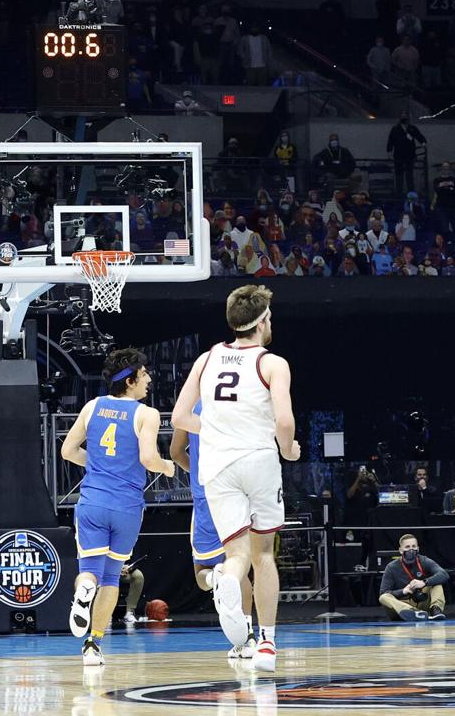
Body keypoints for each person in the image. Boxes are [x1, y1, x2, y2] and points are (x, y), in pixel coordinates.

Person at [172, 285, 301, 673]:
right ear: (261, 322)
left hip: (217, 465)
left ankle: (226, 578)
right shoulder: (273, 363)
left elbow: (179, 418)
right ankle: (266, 644)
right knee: (264, 555)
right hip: (258, 460)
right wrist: (289, 448)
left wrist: (214, 432)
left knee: (237, 555)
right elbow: (284, 421)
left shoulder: (207, 358)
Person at [60, 349, 175, 666]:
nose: (149, 379)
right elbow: (149, 459)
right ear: (131, 379)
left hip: (93, 502)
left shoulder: (92, 407)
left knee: (89, 573)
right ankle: (93, 644)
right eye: (145, 374)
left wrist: (97, 467)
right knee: (111, 577)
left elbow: (68, 450)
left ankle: (83, 595)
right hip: (126, 508)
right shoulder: (146, 414)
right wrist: (168, 467)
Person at [170, 400, 257, 658]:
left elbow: (176, 453)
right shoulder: (240, 399)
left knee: (202, 572)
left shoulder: (191, 405)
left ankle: (215, 579)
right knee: (240, 566)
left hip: (205, 495)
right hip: (237, 492)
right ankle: (249, 637)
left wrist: (196, 470)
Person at [379, 534, 449, 620]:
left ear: (418, 549)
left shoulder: (424, 561)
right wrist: (403, 591)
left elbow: (444, 574)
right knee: (384, 597)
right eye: (407, 547)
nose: (411, 549)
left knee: (437, 583)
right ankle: (411, 612)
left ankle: (435, 610)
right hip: (401, 606)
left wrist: (424, 582)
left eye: (413, 546)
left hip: (421, 603)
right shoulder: (391, 567)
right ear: (401, 550)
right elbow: (383, 593)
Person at [386, 112, 426, 196]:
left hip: (410, 155)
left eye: (405, 118)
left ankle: (411, 193)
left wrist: (423, 142)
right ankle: (399, 193)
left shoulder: (412, 128)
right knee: (399, 175)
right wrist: (389, 151)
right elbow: (391, 140)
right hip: (398, 155)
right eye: (403, 117)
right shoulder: (395, 129)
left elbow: (419, 136)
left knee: (409, 175)